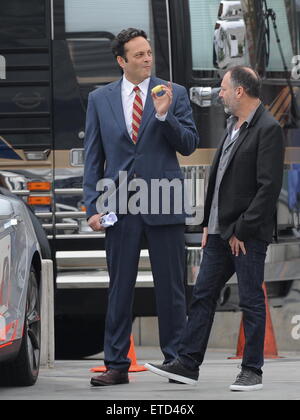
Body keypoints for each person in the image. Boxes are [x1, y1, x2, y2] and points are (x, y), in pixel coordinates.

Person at [145, 66, 284, 392]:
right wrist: (210, 223)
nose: (219, 94)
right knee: (203, 295)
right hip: (220, 233)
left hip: (245, 236)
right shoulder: (233, 127)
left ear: (239, 91)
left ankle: (252, 371)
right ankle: (187, 364)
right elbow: (221, 180)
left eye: (223, 88)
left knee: (250, 301)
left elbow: (267, 188)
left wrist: (241, 230)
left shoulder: (268, 128)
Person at [83, 28, 199, 386]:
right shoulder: (99, 99)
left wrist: (165, 117)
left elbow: (190, 144)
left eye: (149, 53)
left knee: (171, 288)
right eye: (138, 55)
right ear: (122, 61)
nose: (147, 59)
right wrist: (91, 207)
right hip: (119, 206)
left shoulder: (172, 93)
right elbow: (93, 158)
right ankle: (116, 364)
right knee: (119, 287)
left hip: (165, 202)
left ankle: (176, 361)